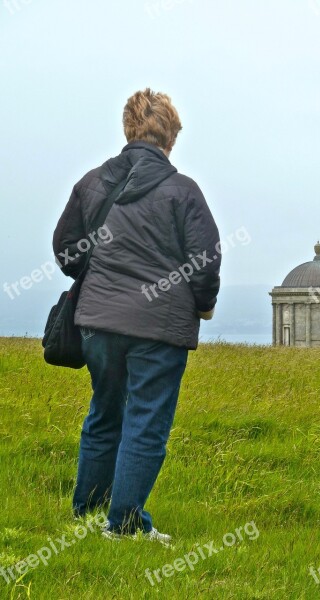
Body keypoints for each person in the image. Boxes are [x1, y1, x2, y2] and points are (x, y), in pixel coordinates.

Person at [52, 88, 221, 542]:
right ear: (171, 137)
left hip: (98, 324)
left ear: (128, 129)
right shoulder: (183, 191)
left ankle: (89, 514)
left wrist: (101, 277)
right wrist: (204, 305)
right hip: (159, 329)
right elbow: (204, 261)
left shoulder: (91, 183)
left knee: (105, 414)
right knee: (146, 423)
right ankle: (124, 527)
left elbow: (66, 250)